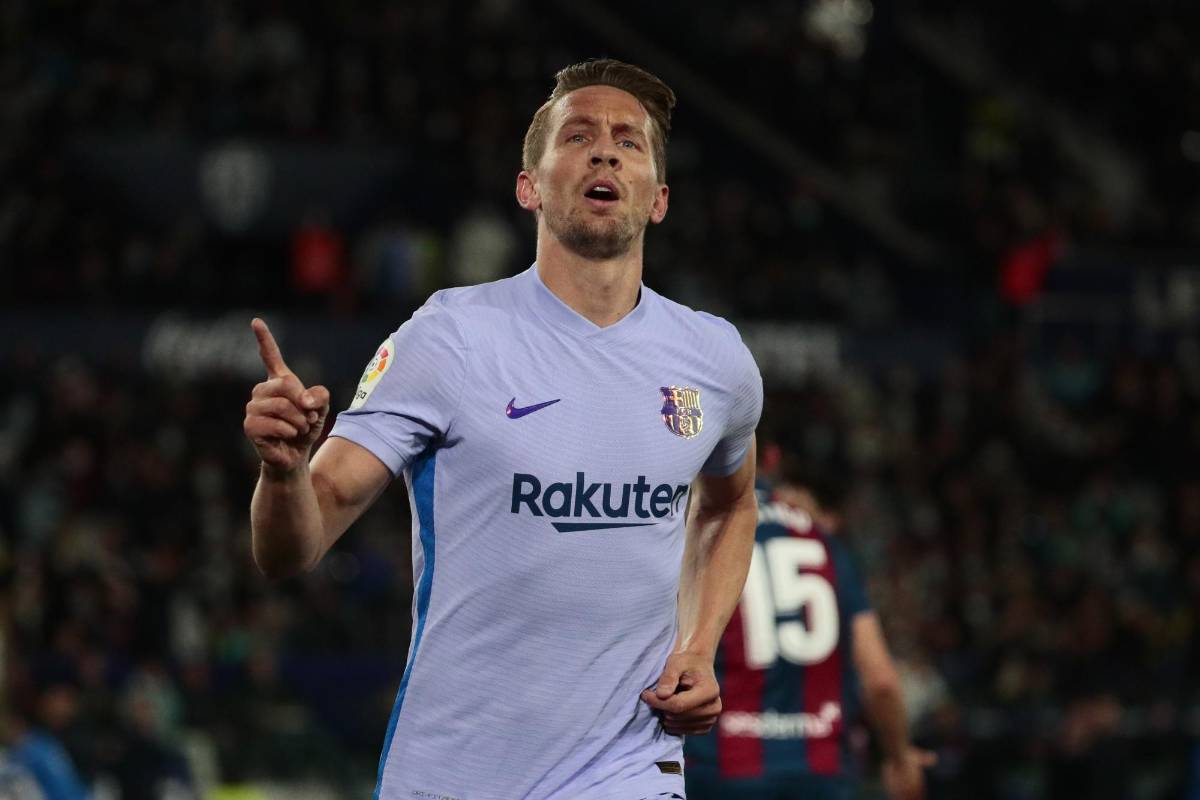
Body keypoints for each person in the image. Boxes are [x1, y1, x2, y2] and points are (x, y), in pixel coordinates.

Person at [242, 59, 763, 800]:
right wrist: (284, 472)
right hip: (454, 771)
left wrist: (700, 645)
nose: (605, 151)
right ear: (529, 187)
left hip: (626, 765)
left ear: (659, 200)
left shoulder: (715, 360)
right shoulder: (450, 337)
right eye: (578, 136)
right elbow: (293, 547)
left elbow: (731, 504)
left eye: (629, 141)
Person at [683, 460, 934, 800]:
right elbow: (881, 680)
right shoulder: (823, 540)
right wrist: (900, 757)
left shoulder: (693, 533)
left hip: (721, 769)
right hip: (821, 771)